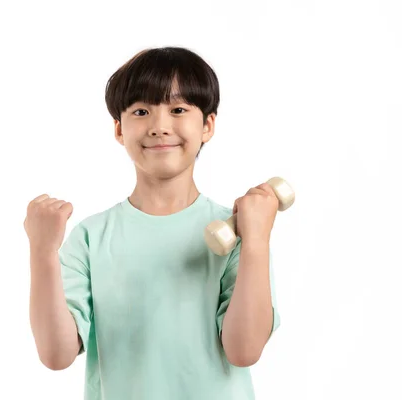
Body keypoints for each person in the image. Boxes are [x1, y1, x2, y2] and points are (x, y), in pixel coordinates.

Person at [24, 46, 281, 400]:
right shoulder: (90, 237)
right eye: (142, 111)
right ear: (119, 128)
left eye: (178, 110)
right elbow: (55, 355)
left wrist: (256, 242)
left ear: (207, 125)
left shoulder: (240, 231)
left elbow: (245, 350)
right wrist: (42, 251)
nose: (160, 127)